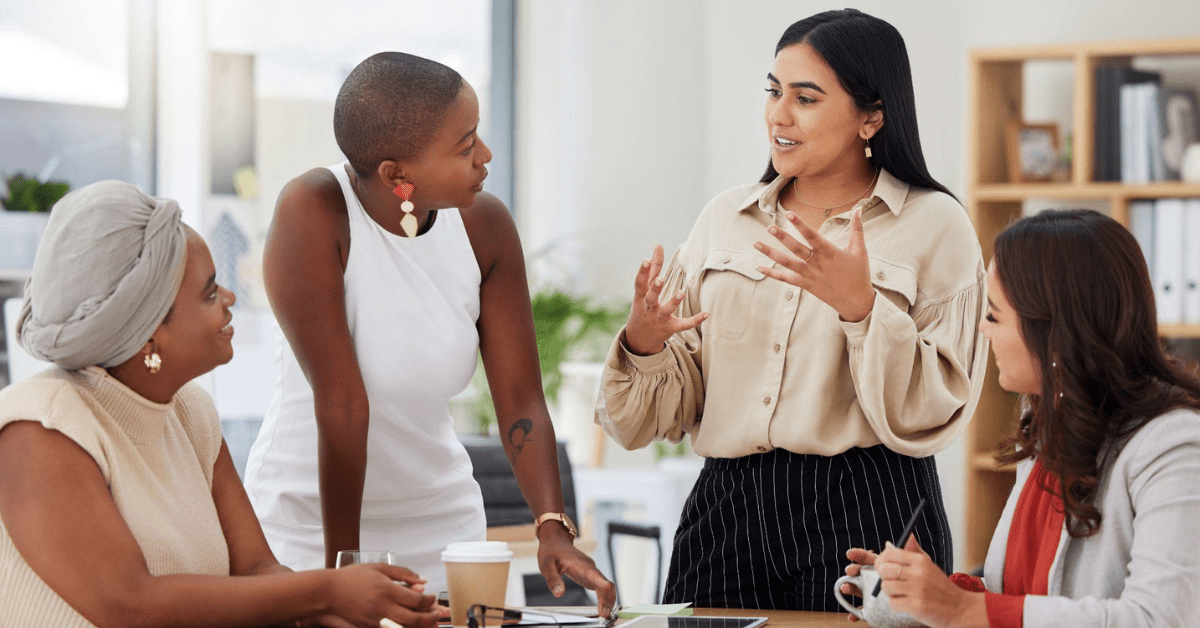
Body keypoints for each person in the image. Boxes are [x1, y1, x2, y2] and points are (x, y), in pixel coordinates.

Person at [597, 9, 988, 611]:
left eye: (805, 98)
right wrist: (645, 344)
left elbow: (938, 405)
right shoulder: (724, 218)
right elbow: (656, 417)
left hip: (869, 503)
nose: (778, 115)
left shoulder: (935, 225)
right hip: (726, 507)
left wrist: (862, 310)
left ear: (871, 116)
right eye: (774, 92)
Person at [242, 52, 614, 611]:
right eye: (465, 147)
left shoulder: (484, 225)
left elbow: (519, 397)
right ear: (398, 175)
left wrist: (551, 527)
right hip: (310, 526)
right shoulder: (314, 210)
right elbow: (342, 403)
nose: (485, 156)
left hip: (444, 527)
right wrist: (341, 572)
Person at [0, 181, 438, 628]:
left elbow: (256, 570)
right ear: (149, 333)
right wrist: (328, 591)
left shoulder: (191, 413)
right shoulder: (41, 429)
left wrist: (330, 611)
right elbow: (130, 604)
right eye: (209, 293)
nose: (229, 299)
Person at [843, 209, 1200, 628]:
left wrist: (959, 609)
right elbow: (1027, 599)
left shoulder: (1174, 446)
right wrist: (932, 595)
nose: (982, 328)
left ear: (1055, 332)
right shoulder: (1050, 421)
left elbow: (1159, 619)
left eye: (993, 315)